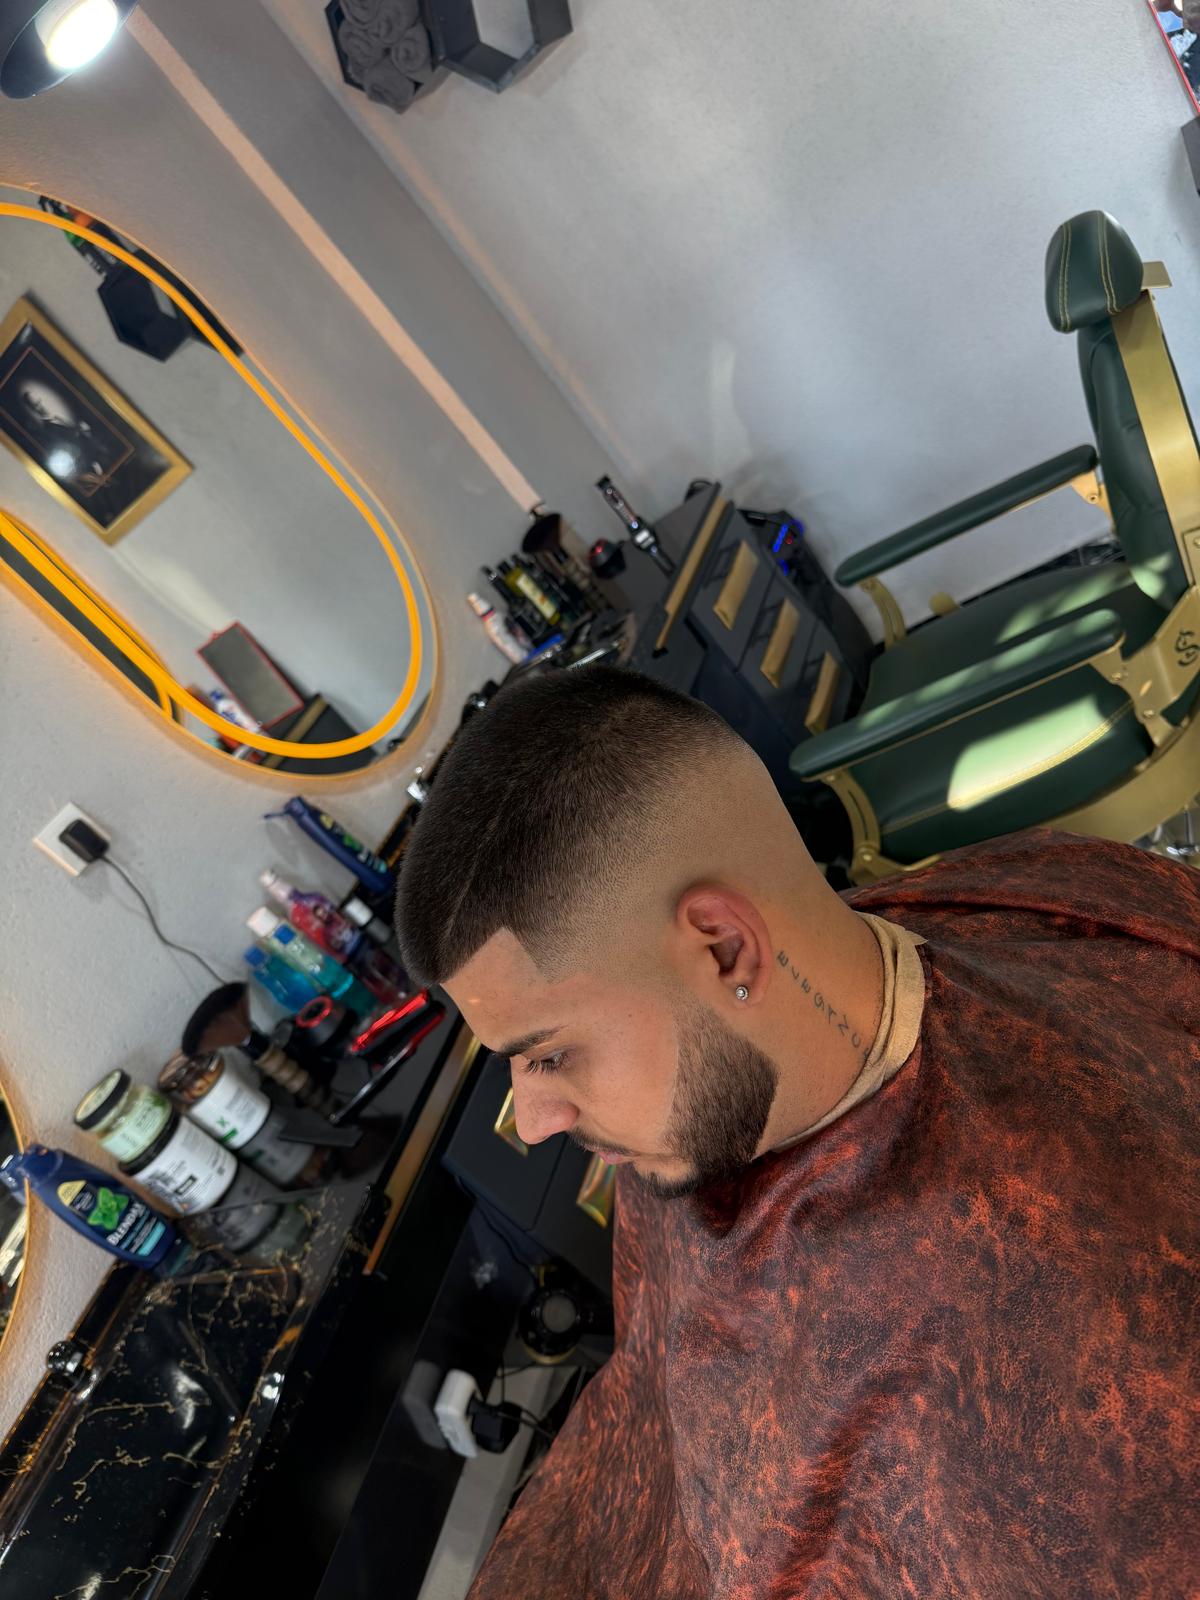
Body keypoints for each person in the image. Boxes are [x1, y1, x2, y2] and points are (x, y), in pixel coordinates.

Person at [395, 665, 1200, 1599]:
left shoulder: (1081, 1383)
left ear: (726, 947)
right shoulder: (1026, 887)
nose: (535, 1122)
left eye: (548, 1053)